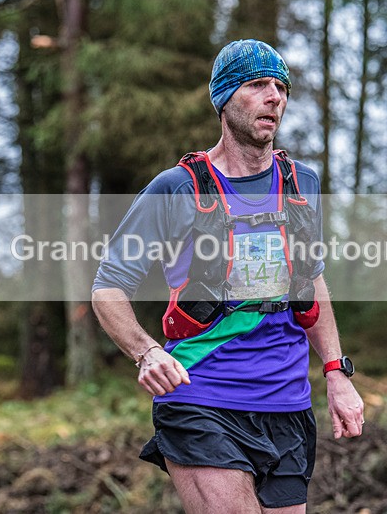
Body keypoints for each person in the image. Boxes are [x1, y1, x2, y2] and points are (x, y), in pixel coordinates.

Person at [92, 39, 364, 514]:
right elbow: (108, 285)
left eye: (281, 87)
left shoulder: (303, 184)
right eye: (257, 85)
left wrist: (337, 373)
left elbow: (312, 282)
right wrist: (145, 351)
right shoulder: (177, 189)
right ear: (223, 99)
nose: (274, 96)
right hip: (201, 397)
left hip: (288, 404)